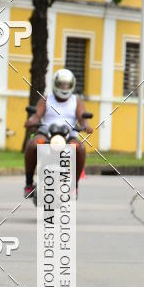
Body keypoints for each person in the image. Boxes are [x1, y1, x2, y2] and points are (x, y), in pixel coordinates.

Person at [24, 68, 92, 198]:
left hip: (69, 135)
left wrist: (86, 126)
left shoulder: (76, 101)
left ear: (72, 85)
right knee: (33, 144)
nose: (64, 87)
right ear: (56, 84)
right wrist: (31, 120)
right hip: (46, 133)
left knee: (80, 148)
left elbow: (82, 118)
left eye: (67, 84)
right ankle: (28, 183)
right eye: (61, 84)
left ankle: (75, 185)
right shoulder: (46, 98)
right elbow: (37, 115)